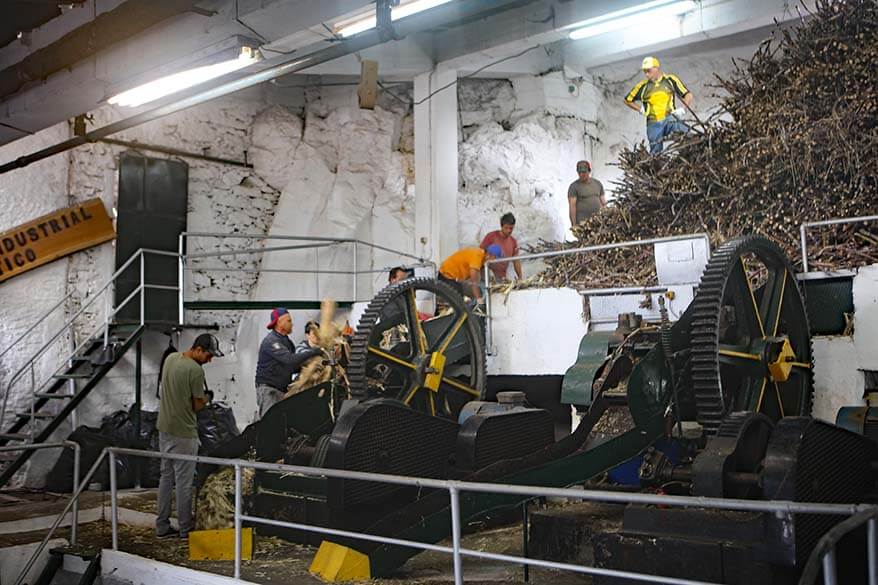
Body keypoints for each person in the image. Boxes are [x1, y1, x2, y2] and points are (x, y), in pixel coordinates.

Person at [155, 333, 223, 539]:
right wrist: (207, 397)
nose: (210, 360)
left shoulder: (170, 358)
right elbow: (196, 405)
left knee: (166, 479)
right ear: (199, 350)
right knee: (184, 484)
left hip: (164, 428)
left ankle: (162, 526)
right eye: (209, 356)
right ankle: (185, 529)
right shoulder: (195, 371)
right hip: (183, 433)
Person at [255, 308, 321, 417]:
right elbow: (289, 360)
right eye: (289, 321)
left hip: (281, 390)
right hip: (269, 390)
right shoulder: (271, 341)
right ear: (279, 323)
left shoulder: (287, 342)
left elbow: (292, 367)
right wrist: (314, 352)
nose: (292, 324)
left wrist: (311, 367)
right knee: (269, 423)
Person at [624, 56, 693, 154]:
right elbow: (627, 100)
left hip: (670, 118)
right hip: (653, 123)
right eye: (645, 72)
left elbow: (688, 95)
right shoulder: (642, 86)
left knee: (686, 134)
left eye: (649, 71)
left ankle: (691, 152)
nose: (646, 74)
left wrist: (683, 108)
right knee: (655, 153)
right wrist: (640, 109)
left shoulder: (670, 80)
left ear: (656, 68)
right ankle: (658, 166)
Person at [480, 213, 524, 281]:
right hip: (487, 276)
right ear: (501, 226)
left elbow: (516, 261)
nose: (508, 230)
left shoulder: (513, 242)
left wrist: (520, 277)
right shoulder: (491, 237)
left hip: (502, 278)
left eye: (511, 228)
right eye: (506, 228)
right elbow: (480, 253)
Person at [567, 160, 606, 226]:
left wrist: (605, 216)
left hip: (598, 221)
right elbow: (572, 206)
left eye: (584, 172)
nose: (581, 174)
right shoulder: (574, 187)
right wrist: (573, 224)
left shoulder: (597, 183)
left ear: (589, 171)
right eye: (579, 172)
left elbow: (603, 202)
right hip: (583, 223)